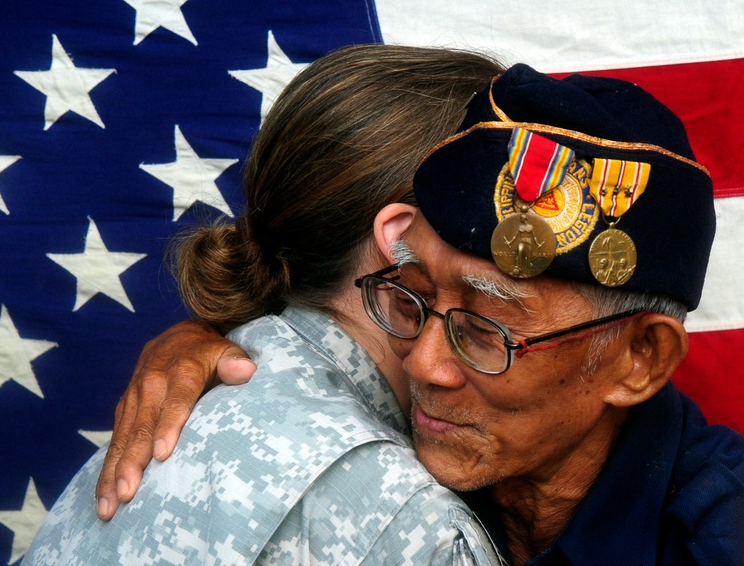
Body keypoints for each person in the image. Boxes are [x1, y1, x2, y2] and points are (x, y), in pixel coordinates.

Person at [97, 64, 744, 565]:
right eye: (411, 295)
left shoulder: (719, 536)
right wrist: (205, 339)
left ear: (639, 359)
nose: (424, 364)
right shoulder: (403, 460)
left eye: (484, 330)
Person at [24, 45, 506, 565]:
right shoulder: (410, 524)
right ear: (403, 238)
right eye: (506, 211)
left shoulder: (193, 408)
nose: (526, 246)